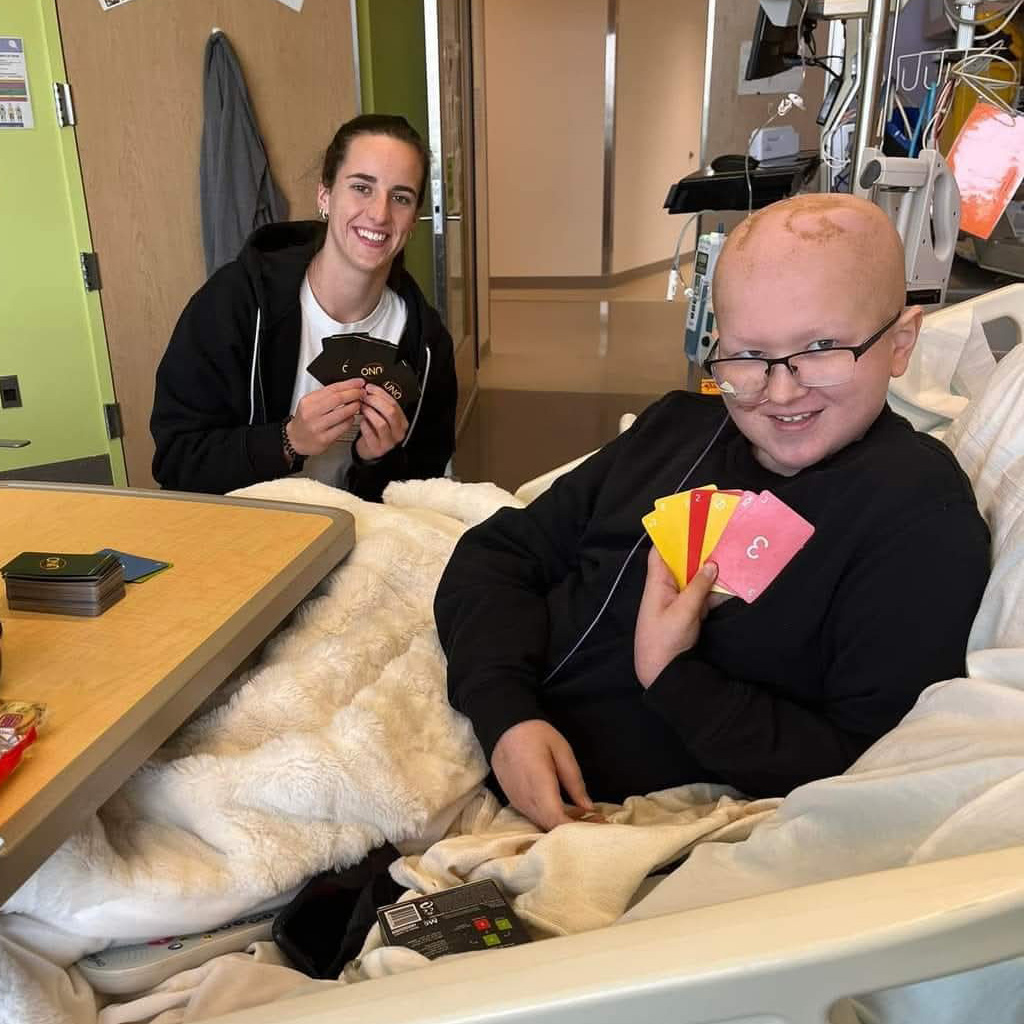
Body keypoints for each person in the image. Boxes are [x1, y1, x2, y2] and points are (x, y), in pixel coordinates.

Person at [435, 193, 990, 832]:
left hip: (598, 813)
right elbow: (500, 553)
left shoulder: (917, 519)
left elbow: (864, 765)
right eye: (748, 356)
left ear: (900, 341)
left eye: (820, 348)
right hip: (479, 716)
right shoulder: (675, 429)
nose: (780, 392)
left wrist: (674, 677)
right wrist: (507, 716)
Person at [151, 114, 457, 501]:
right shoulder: (235, 302)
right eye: (362, 187)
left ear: (413, 219)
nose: (380, 214)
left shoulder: (428, 348)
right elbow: (176, 461)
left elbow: (421, 490)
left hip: (359, 541)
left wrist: (376, 461)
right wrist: (287, 441)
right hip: (245, 532)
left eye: (400, 197)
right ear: (325, 196)